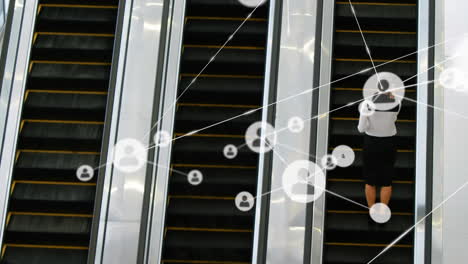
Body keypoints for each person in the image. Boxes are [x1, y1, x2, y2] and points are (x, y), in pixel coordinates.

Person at [358, 91, 400, 208]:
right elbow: (393, 119)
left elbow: (361, 128)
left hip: (371, 143)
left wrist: (370, 125)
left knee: (370, 181)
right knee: (387, 180)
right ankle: (382, 211)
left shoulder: (367, 104)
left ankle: (372, 210)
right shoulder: (397, 103)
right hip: (389, 143)